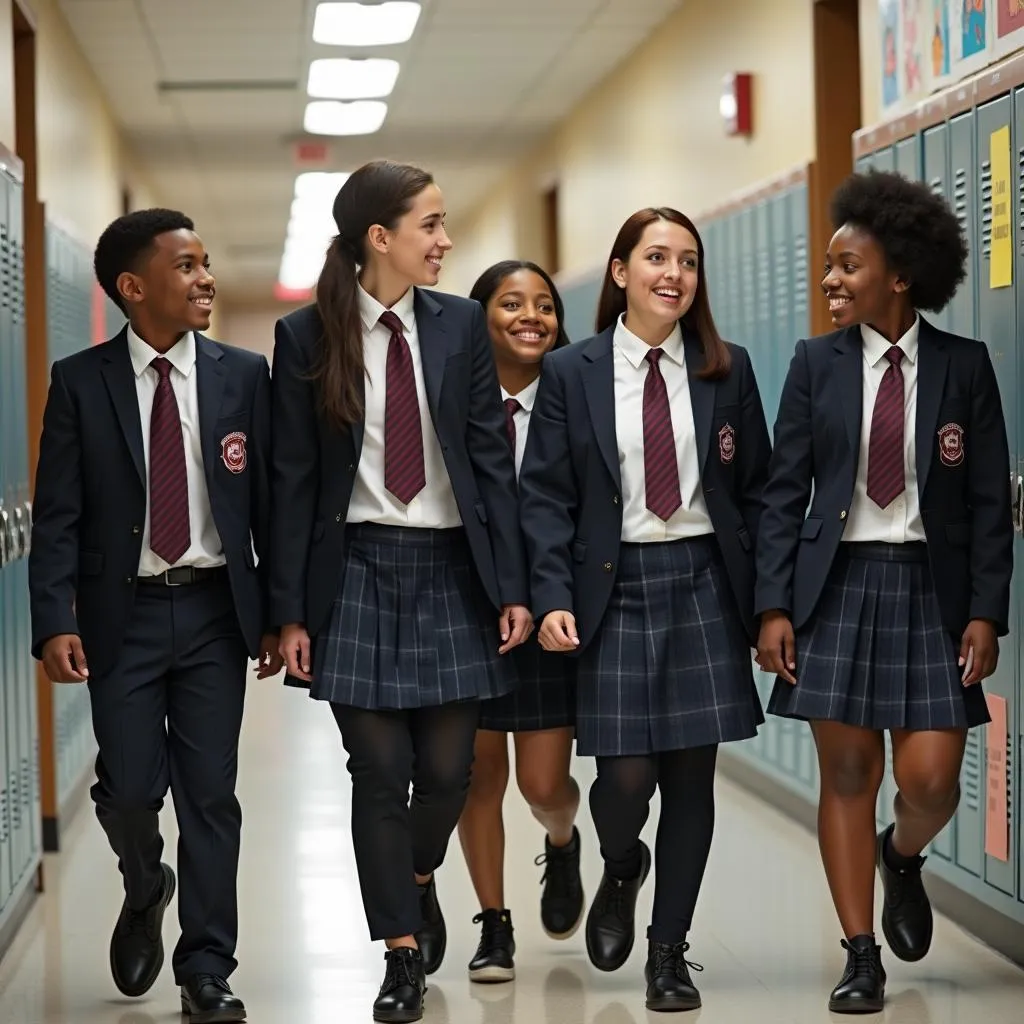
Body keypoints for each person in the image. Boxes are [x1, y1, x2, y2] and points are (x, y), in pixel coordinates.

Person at [270, 160, 533, 1024]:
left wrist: (514, 585)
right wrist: (291, 612)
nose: (445, 240)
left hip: (455, 569)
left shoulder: (460, 326)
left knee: (450, 774)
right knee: (379, 771)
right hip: (356, 574)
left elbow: (492, 461)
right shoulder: (308, 337)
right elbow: (294, 480)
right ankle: (400, 955)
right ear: (379, 238)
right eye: (430, 224)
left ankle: (417, 874)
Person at [755, 169, 1013, 1014]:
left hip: (930, 593)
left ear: (899, 274)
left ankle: (900, 856)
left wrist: (985, 610)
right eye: (827, 267)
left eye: (847, 266)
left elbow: (984, 504)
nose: (830, 280)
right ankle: (860, 953)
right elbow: (782, 491)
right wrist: (774, 607)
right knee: (850, 769)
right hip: (836, 588)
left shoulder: (964, 367)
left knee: (933, 779)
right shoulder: (812, 365)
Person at [29, 209, 281, 1023]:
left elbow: (269, 505)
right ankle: (146, 885)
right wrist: (52, 619)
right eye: (186, 266)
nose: (206, 277)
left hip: (214, 610)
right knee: (134, 790)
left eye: (207, 262)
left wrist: (280, 613)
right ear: (135, 288)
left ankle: (206, 967)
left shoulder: (244, 375)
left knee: (210, 795)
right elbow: (57, 512)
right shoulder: (80, 380)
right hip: (122, 616)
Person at [518, 207, 770, 1013]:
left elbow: (759, 494)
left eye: (688, 261)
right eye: (656, 257)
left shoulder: (727, 369)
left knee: (692, 781)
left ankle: (669, 955)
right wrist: (552, 596)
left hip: (702, 582)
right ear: (621, 271)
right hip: (613, 586)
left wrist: (768, 605)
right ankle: (621, 864)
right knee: (624, 780)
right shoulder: (573, 371)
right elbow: (546, 498)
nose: (674, 273)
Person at [456, 260, 582, 984]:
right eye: (510, 303)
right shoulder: (458, 404)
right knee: (479, 776)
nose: (531, 316)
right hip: (472, 607)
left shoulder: (577, 397)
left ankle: (561, 840)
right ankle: (494, 924)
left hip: (551, 614)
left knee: (541, 784)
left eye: (544, 305)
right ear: (479, 320)